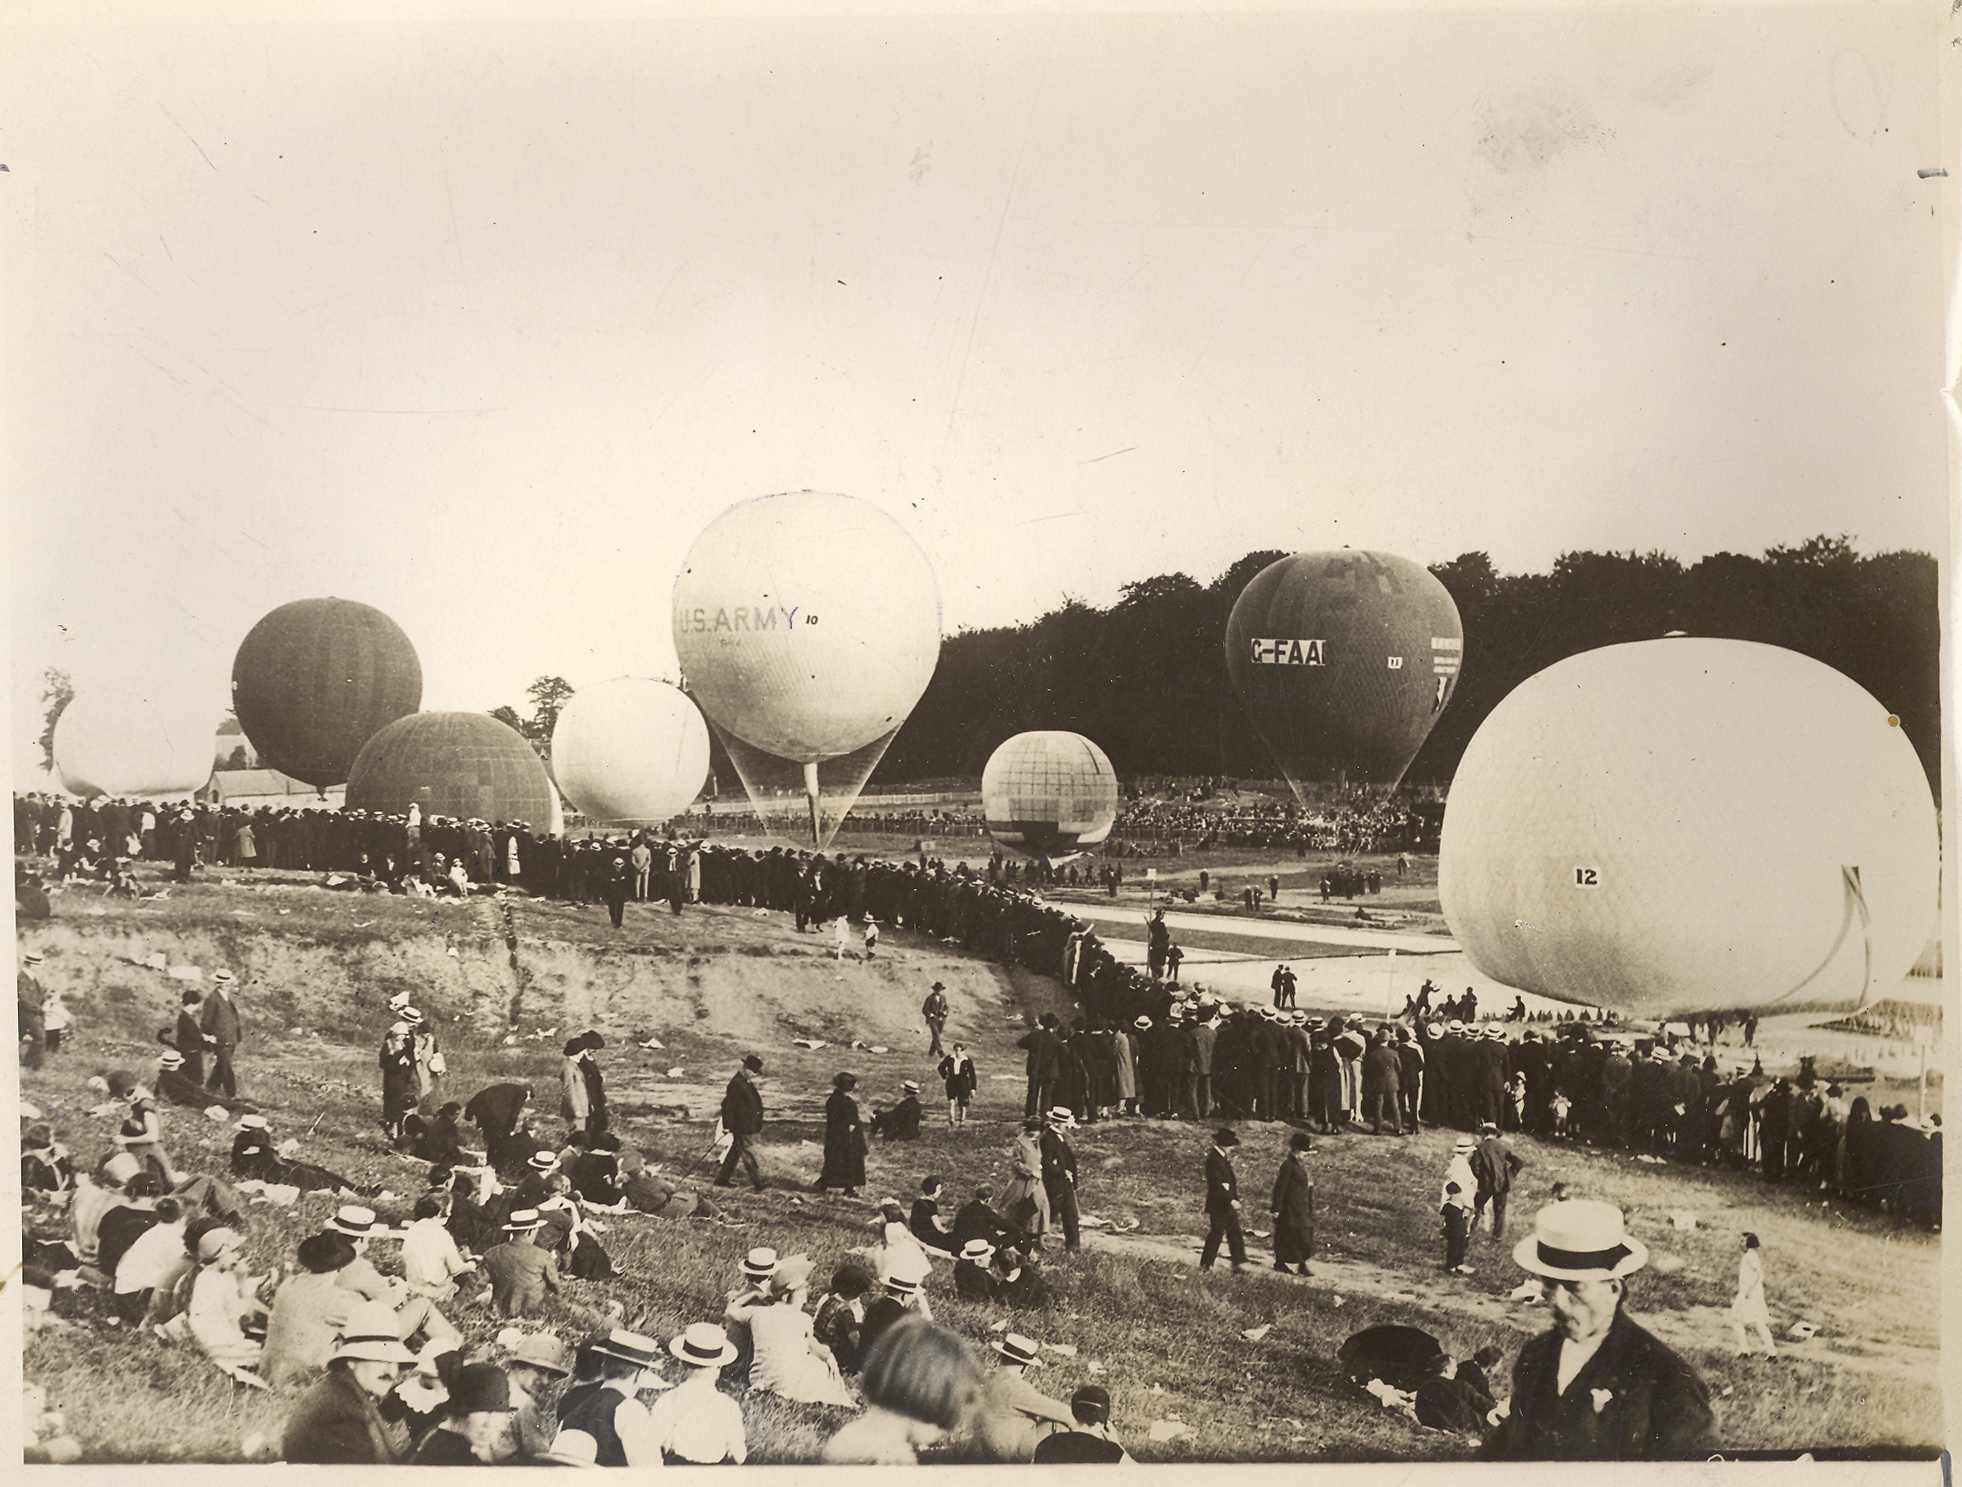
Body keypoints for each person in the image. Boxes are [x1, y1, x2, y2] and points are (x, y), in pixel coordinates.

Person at [1481, 1200, 1718, 1459]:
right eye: (1549, 1283)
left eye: (1575, 1287)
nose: (1558, 1303)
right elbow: (1509, 1443)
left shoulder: (1667, 1377)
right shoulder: (1535, 1355)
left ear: (1614, 1289)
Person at [821, 1318, 984, 1465]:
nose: (944, 1433)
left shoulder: (847, 1436)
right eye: (947, 1421)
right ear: (931, 1401)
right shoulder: (895, 1460)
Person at [282, 1300, 419, 1463]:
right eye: (379, 1358)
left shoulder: (346, 1392)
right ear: (351, 1361)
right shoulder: (341, 1414)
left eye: (394, 1360)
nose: (390, 1371)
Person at [726, 1254, 854, 1406]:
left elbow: (730, 1310)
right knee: (818, 1365)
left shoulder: (756, 1312)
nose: (805, 1299)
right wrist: (828, 1356)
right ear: (787, 1295)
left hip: (759, 1376)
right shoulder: (803, 1318)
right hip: (785, 1375)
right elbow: (813, 1348)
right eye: (801, 1294)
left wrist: (753, 1295)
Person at [553, 1329, 666, 1467]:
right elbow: (651, 1471)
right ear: (640, 1374)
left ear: (604, 1365)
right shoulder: (631, 1410)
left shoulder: (571, 1413)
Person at [263, 1232, 364, 1385]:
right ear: (342, 1267)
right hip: (304, 1379)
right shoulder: (336, 1299)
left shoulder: (289, 1283)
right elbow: (372, 1323)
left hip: (270, 1372)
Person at [646, 1324, 748, 1464]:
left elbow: (652, 1444)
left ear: (682, 1364)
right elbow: (739, 1456)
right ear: (718, 1367)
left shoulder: (668, 1400)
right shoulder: (729, 1406)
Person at [976, 1331, 1075, 1461]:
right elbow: (1063, 1412)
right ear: (1024, 1368)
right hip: (1007, 1452)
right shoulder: (1016, 1387)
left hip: (980, 1446)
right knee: (1057, 1424)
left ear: (1000, 1357)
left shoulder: (986, 1378)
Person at [185, 1226, 269, 1376]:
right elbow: (245, 1316)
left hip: (216, 1341)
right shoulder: (216, 1280)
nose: (238, 1256)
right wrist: (242, 1280)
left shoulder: (213, 1275)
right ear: (219, 1254)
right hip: (219, 1345)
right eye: (233, 1252)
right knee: (267, 1355)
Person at [408, 1360, 518, 1464]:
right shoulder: (451, 1454)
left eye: (497, 1413)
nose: (489, 1424)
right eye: (482, 1411)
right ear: (460, 1411)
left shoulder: (439, 1433)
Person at [482, 1209, 560, 1318]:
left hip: (500, 1313)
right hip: (533, 1314)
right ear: (530, 1231)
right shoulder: (543, 1255)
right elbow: (555, 1288)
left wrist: (455, 1308)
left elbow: (475, 1286)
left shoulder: (492, 1253)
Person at [1031, 1385, 1131, 1463]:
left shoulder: (1047, 1444)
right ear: (1105, 1422)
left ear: (1074, 1413)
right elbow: (1140, 1476)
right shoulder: (1111, 1451)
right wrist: (1117, 1444)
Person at [1200, 1126, 1250, 1273]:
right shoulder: (1214, 1159)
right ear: (1224, 1144)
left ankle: (1237, 1263)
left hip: (1226, 1203)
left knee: (1234, 1232)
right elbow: (1217, 1185)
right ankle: (1206, 1265)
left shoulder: (1221, 1158)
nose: (1232, 1148)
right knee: (1216, 1234)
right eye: (1230, 1145)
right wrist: (1230, 1200)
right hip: (1219, 1204)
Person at [714, 1054, 767, 1192]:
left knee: (735, 1151)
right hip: (742, 1126)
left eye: (756, 1072)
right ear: (745, 1068)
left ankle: (722, 1179)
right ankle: (758, 1183)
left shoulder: (745, 1082)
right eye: (752, 1071)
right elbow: (728, 1106)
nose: (754, 1074)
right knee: (748, 1153)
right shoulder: (737, 1083)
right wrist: (726, 1126)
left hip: (747, 1125)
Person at [1271, 1131, 1316, 1276]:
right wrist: (1276, 1208)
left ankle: (1301, 1264)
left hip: (1300, 1207)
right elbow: (1280, 1187)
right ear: (1296, 1150)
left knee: (1303, 1235)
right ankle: (1283, 1263)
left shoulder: (1298, 1164)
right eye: (1303, 1151)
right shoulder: (1288, 1165)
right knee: (1291, 1235)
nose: (1305, 1154)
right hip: (1290, 1207)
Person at [816, 1072, 868, 1196]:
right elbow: (850, 1122)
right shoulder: (847, 1102)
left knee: (834, 1160)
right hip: (847, 1137)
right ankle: (848, 1188)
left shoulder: (833, 1099)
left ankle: (825, 1183)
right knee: (849, 1162)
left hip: (834, 1136)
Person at [1039, 1106, 1081, 1254]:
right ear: (1057, 1123)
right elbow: (1046, 1164)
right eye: (1064, 1123)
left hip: (1065, 1185)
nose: (1066, 1126)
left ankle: (1074, 1248)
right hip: (1055, 1185)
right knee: (1048, 1216)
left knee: (1071, 1217)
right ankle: (1037, 1243)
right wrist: (1063, 1172)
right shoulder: (1048, 1139)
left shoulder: (1059, 1136)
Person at [1729, 1233, 1777, 1358]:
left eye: (1742, 1241)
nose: (1740, 1243)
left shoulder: (1750, 1256)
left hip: (1749, 1294)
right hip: (1753, 1293)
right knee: (1759, 1323)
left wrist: (1749, 1291)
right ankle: (1771, 1352)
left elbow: (1759, 1275)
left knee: (1736, 1319)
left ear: (1749, 1243)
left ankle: (1744, 1350)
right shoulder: (1751, 1255)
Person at [201, 969, 244, 1099]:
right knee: (227, 1066)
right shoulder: (212, 999)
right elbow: (206, 1021)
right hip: (220, 1038)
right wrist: (208, 1036)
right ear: (217, 982)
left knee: (221, 1064)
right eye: (223, 982)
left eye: (228, 982)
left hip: (231, 1037)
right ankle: (232, 1094)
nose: (226, 984)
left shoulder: (227, 998)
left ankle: (210, 1089)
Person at [1440, 1136, 1477, 1275]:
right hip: (1458, 1205)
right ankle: (1453, 1264)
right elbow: (1462, 1187)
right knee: (1457, 1235)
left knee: (1460, 1235)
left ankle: (1458, 1263)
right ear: (1466, 1152)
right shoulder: (1460, 1166)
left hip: (1458, 1204)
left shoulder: (1460, 1163)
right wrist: (1468, 1205)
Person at [938, 1042, 978, 1129]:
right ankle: (951, 1120)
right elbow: (940, 1067)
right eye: (956, 1050)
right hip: (952, 1083)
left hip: (963, 1084)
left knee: (962, 1103)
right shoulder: (950, 1058)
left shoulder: (967, 1061)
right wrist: (945, 1075)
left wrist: (973, 1088)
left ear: (963, 1051)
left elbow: (972, 1075)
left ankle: (962, 1121)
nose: (958, 1053)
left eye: (960, 1051)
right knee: (951, 1102)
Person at [923, 982, 951, 1056]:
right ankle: (940, 1051)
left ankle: (931, 1052)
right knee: (936, 1034)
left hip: (941, 1019)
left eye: (939, 990)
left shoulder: (943, 998)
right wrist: (930, 1015)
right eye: (937, 990)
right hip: (932, 1019)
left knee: (937, 1035)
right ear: (934, 990)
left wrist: (945, 1012)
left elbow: (946, 1007)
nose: (938, 991)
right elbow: (924, 1009)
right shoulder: (929, 998)